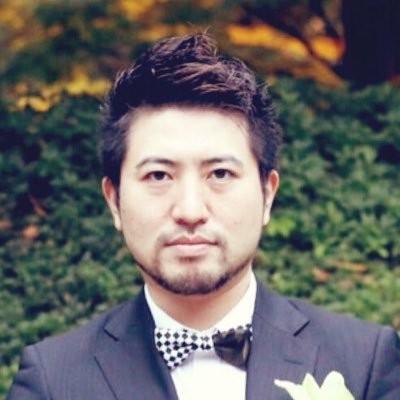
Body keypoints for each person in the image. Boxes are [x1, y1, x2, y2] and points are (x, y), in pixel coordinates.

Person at [7, 33, 400, 400]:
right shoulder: (52, 381)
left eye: (220, 174)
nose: (190, 211)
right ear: (114, 201)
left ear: (267, 194)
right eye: (158, 175)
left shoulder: (364, 362)